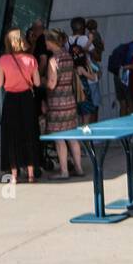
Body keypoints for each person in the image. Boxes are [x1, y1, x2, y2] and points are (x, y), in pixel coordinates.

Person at [0, 28, 40, 183]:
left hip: (11, 100)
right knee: (29, 133)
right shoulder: (31, 59)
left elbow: (0, 83)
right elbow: (37, 82)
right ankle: (31, 173)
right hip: (27, 99)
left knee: (12, 136)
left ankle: (14, 175)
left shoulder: (3, 60)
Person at [44, 29, 83, 179]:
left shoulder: (54, 60)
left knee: (59, 138)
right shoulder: (67, 56)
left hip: (57, 103)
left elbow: (52, 84)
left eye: (46, 40)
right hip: (70, 100)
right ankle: (79, 168)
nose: (45, 43)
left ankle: (64, 171)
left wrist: (43, 82)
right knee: (72, 136)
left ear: (51, 41)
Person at [107, 37, 133, 117]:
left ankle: (123, 123)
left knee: (122, 102)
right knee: (131, 101)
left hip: (117, 74)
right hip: (126, 74)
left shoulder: (121, 47)